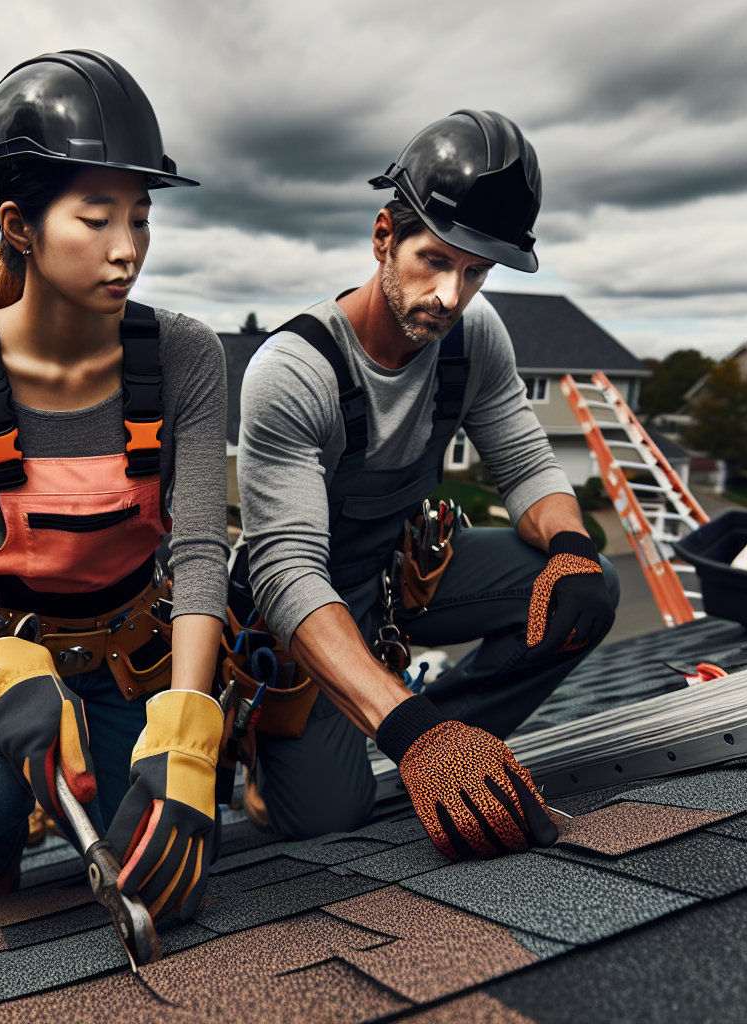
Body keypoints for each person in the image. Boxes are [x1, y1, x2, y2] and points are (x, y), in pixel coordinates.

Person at [0, 51, 228, 917]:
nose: (128, 251)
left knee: (158, 849)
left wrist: (188, 721)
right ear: (20, 226)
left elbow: (197, 555)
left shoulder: (186, 356)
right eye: (96, 218)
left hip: (132, 648)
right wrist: (4, 668)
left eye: (142, 219)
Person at [237, 110, 618, 857]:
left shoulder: (472, 340)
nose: (451, 294)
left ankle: (441, 740)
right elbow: (284, 574)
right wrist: (414, 734)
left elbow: (526, 463)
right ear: (385, 236)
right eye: (434, 260)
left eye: (475, 273)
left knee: (590, 589)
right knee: (328, 818)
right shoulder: (296, 372)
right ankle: (320, 743)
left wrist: (571, 544)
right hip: (303, 608)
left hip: (401, 582)